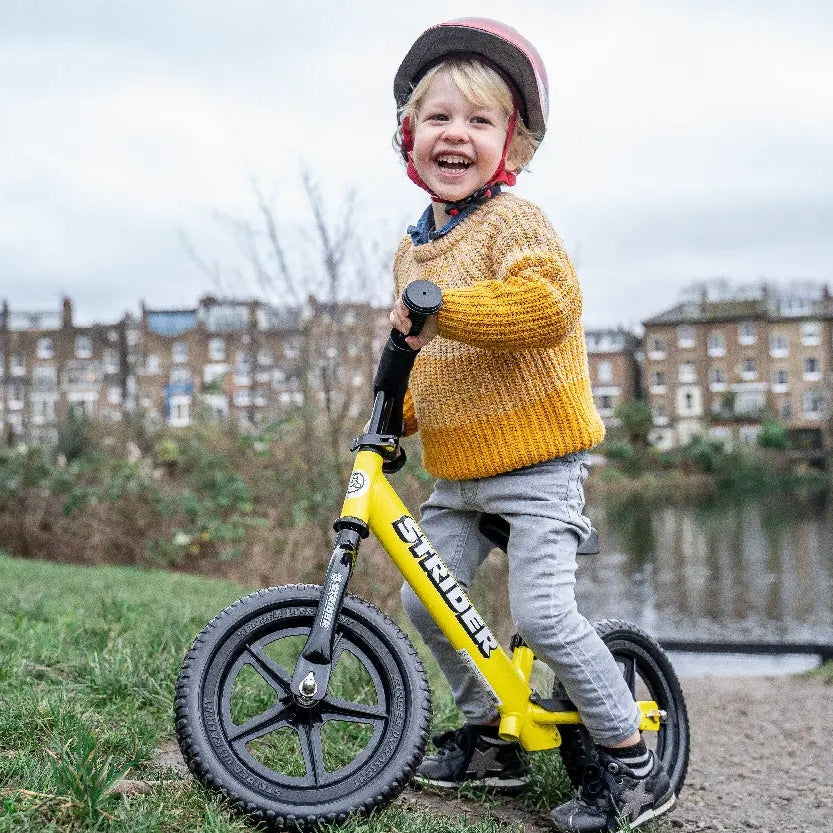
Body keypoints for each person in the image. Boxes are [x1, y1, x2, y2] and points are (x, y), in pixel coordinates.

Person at [388, 18, 675, 833]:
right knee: (427, 605)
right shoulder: (410, 252)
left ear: (510, 148)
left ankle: (630, 761)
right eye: (439, 117)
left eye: (481, 122)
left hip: (540, 465)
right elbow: (427, 361)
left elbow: (547, 306)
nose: (457, 134)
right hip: (458, 470)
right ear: (407, 136)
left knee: (545, 617)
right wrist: (391, 417)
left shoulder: (515, 224)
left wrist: (445, 310)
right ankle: (488, 735)